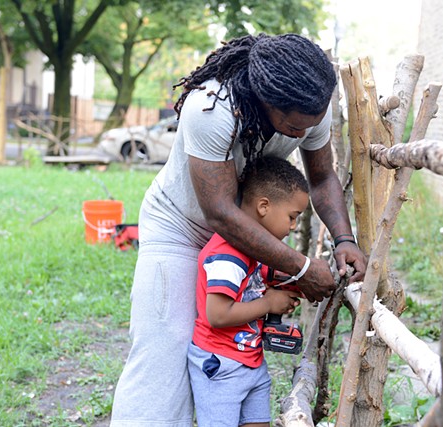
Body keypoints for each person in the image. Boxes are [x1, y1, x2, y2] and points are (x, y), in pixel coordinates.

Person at [110, 33, 367, 427]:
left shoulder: (309, 108)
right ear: (268, 100)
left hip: (241, 237)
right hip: (181, 229)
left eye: (309, 126)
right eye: (293, 126)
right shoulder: (212, 108)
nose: (301, 135)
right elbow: (220, 214)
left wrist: (344, 239)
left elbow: (321, 177)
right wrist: (299, 268)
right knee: (163, 357)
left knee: (227, 355)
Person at [188, 156, 307, 427]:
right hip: (222, 365)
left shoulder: (251, 252)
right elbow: (217, 315)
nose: (293, 226)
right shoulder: (228, 255)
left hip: (251, 361)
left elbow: (260, 277)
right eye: (292, 217)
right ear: (263, 206)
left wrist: (302, 280)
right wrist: (269, 303)